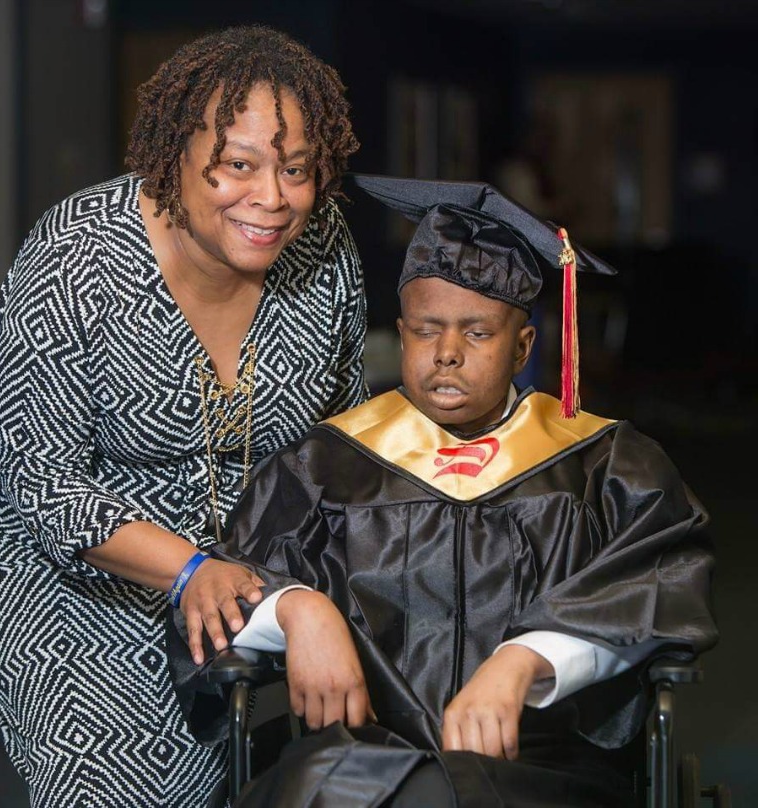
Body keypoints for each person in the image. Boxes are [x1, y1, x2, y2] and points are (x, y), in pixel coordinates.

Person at [168, 175, 718, 807]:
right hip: (355, 761)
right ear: (401, 337)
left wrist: (526, 661)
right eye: (427, 331)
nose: (447, 353)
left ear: (524, 346)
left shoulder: (606, 466)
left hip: (539, 769)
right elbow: (224, 600)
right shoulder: (324, 465)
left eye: (478, 333)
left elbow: (656, 586)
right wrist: (295, 607)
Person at [0, 25, 367, 807]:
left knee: (237, 772)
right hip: (52, 556)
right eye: (238, 165)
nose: (272, 198)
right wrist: (187, 569)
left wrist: (307, 597)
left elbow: (341, 436)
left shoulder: (324, 250)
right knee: (116, 780)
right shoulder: (78, 257)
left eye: (298, 170)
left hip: (235, 549)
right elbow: (43, 482)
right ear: (172, 155)